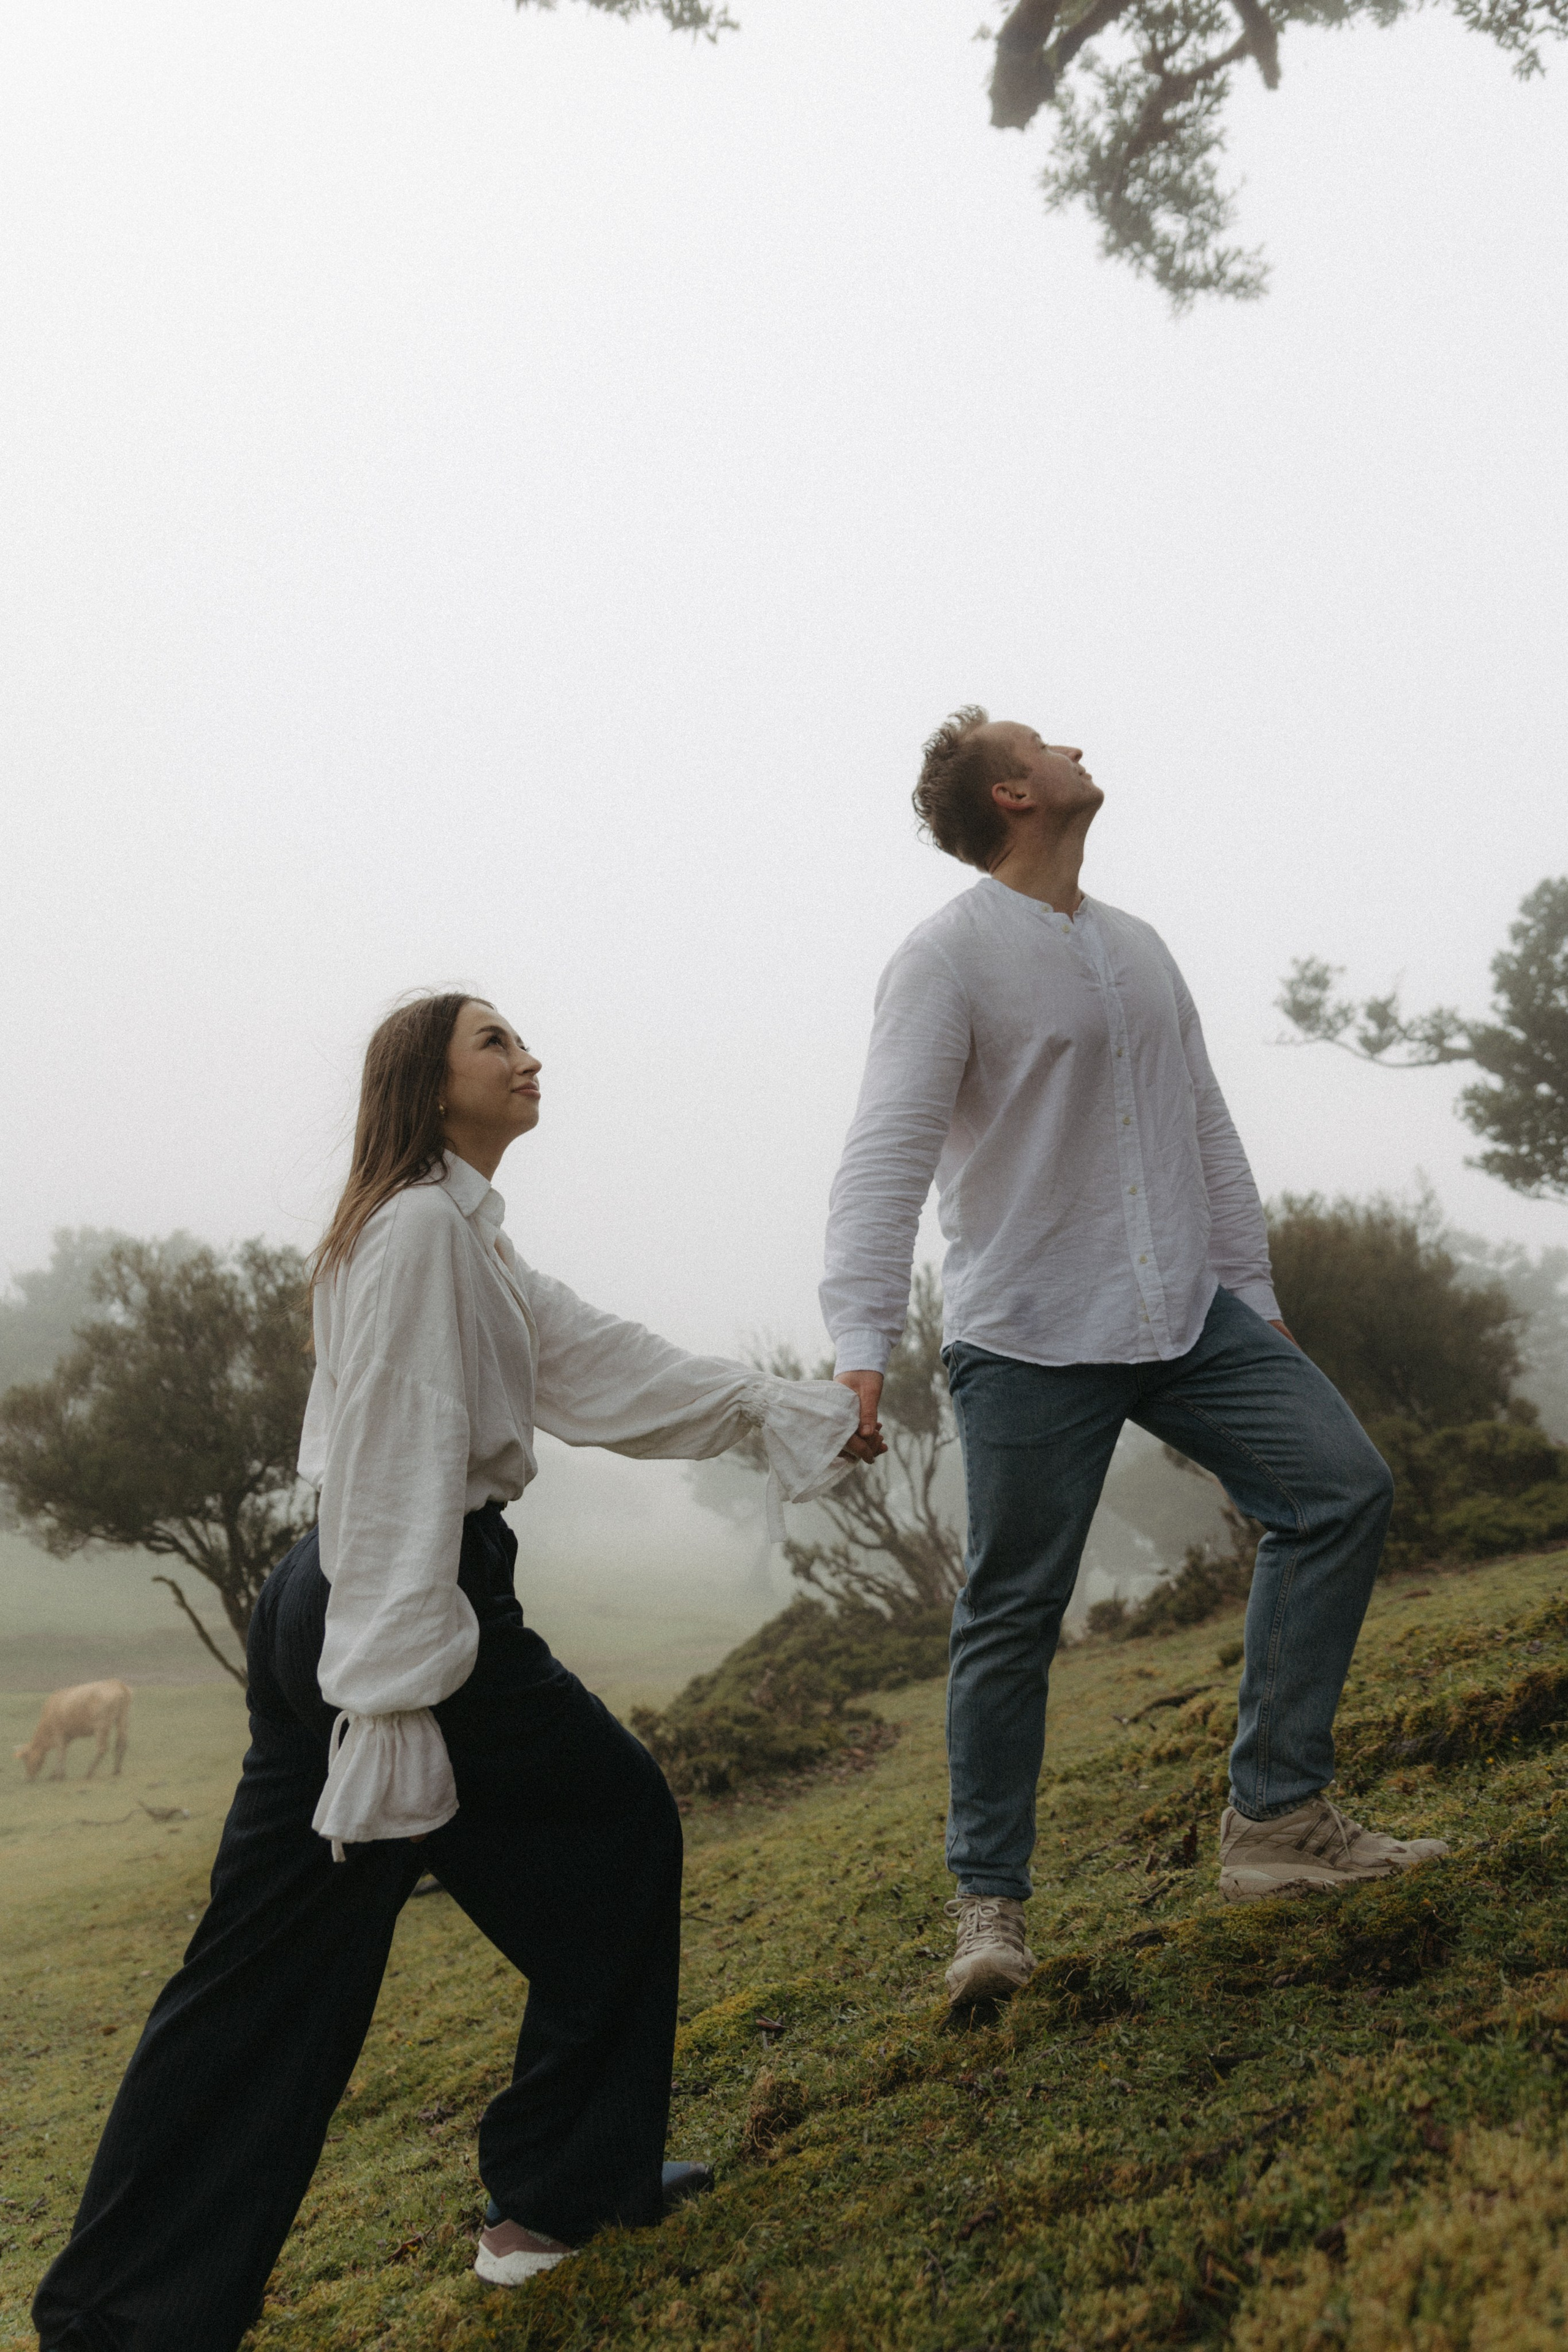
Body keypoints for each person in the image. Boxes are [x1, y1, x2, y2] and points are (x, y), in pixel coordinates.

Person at [35, 991, 878, 2352]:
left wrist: (787, 1415)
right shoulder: (422, 1232)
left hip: (364, 1601)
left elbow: (601, 1364)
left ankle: (155, 2311)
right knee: (594, 1842)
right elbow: (395, 1450)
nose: (528, 1055)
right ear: (429, 1090)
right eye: (495, 1042)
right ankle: (540, 2208)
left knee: (273, 1972)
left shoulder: (458, 1232)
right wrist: (387, 1694)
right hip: (397, 1600)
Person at [821, 710, 1447, 2008]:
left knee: (1338, 1488)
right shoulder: (943, 960)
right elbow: (884, 1152)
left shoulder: (1140, 949)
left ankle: (1274, 1825)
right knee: (1011, 1612)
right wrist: (859, 1340)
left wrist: (1254, 1292)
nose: (1072, 747)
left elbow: (1204, 1128)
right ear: (1010, 791)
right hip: (1030, 1329)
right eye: (1045, 741)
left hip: (1186, 1312)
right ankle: (988, 1907)